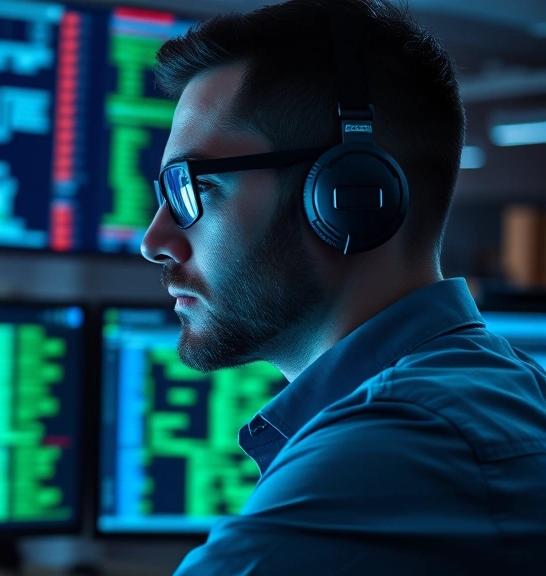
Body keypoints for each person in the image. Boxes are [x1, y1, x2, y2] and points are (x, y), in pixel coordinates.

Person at [139, 0, 546, 573]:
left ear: (347, 193)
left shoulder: (401, 444)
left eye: (190, 187)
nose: (154, 238)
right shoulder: (504, 389)